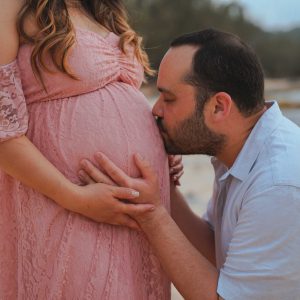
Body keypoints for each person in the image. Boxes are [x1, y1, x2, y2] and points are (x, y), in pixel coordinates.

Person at [79, 29, 300, 300]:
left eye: (169, 98)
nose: (156, 110)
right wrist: (165, 192)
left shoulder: (278, 186)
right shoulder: (242, 152)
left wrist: (152, 215)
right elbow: (217, 249)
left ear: (219, 107)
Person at [0, 0, 184, 298]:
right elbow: (3, 130)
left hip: (135, 211)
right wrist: (74, 197)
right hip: (64, 201)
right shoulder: (11, 6)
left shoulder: (102, 9)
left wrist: (161, 142)